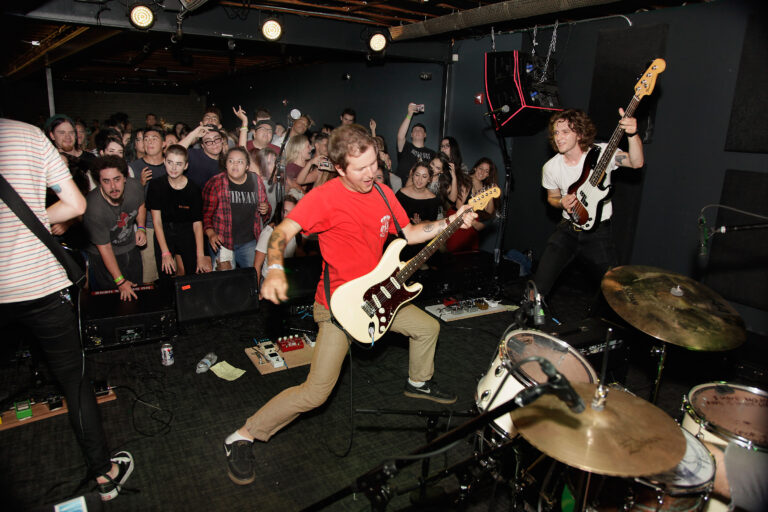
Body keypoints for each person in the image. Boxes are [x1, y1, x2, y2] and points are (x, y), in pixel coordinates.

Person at [223, 124, 476, 485]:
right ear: (340, 168)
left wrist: (451, 221)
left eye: (374, 163)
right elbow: (281, 232)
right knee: (316, 392)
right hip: (339, 304)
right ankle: (243, 435)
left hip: (380, 292)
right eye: (361, 168)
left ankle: (418, 382)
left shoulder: (384, 191)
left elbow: (409, 234)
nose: (371, 172)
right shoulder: (324, 198)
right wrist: (275, 269)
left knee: (428, 327)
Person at [0, 118, 134, 501]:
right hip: (37, 283)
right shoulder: (25, 134)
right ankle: (105, 476)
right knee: (74, 383)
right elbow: (74, 204)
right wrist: (27, 223)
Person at [534, 108, 644, 298]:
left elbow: (636, 163)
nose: (559, 137)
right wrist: (561, 202)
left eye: (565, 131)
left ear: (579, 133)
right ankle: (526, 321)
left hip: (598, 234)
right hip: (567, 230)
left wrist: (633, 134)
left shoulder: (602, 153)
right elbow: (551, 198)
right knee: (537, 288)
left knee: (615, 290)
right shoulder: (551, 167)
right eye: (556, 132)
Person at [83, 156, 147, 301]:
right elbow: (104, 248)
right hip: (103, 257)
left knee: (137, 293)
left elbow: (140, 205)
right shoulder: (93, 208)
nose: (113, 187)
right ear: (99, 182)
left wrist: (141, 227)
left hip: (130, 249)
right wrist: (120, 281)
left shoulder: (134, 187)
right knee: (111, 301)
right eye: (106, 181)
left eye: (117, 179)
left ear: (125, 178)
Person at [146, 144, 211, 281]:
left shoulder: (193, 189)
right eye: (170, 162)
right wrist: (165, 253)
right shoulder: (156, 185)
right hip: (164, 232)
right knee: (165, 276)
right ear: (164, 162)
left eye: (179, 164)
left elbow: (197, 224)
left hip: (187, 233)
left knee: (193, 277)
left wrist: (200, 256)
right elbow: (157, 221)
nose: (174, 168)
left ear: (185, 166)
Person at [202, 147, 271, 270]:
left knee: (253, 279)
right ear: (225, 164)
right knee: (225, 283)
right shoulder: (216, 183)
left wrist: (266, 209)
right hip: (222, 242)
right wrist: (211, 233)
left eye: (240, 161)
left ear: (247, 166)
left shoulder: (256, 180)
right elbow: (205, 214)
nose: (235, 165)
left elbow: (265, 209)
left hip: (249, 242)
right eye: (231, 161)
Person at [396, 102, 435, 181]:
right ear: (411, 135)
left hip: (421, 189)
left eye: (420, 130)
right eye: (415, 130)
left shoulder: (432, 153)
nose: (417, 131)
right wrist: (409, 114)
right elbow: (400, 136)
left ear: (425, 135)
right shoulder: (405, 146)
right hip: (401, 187)